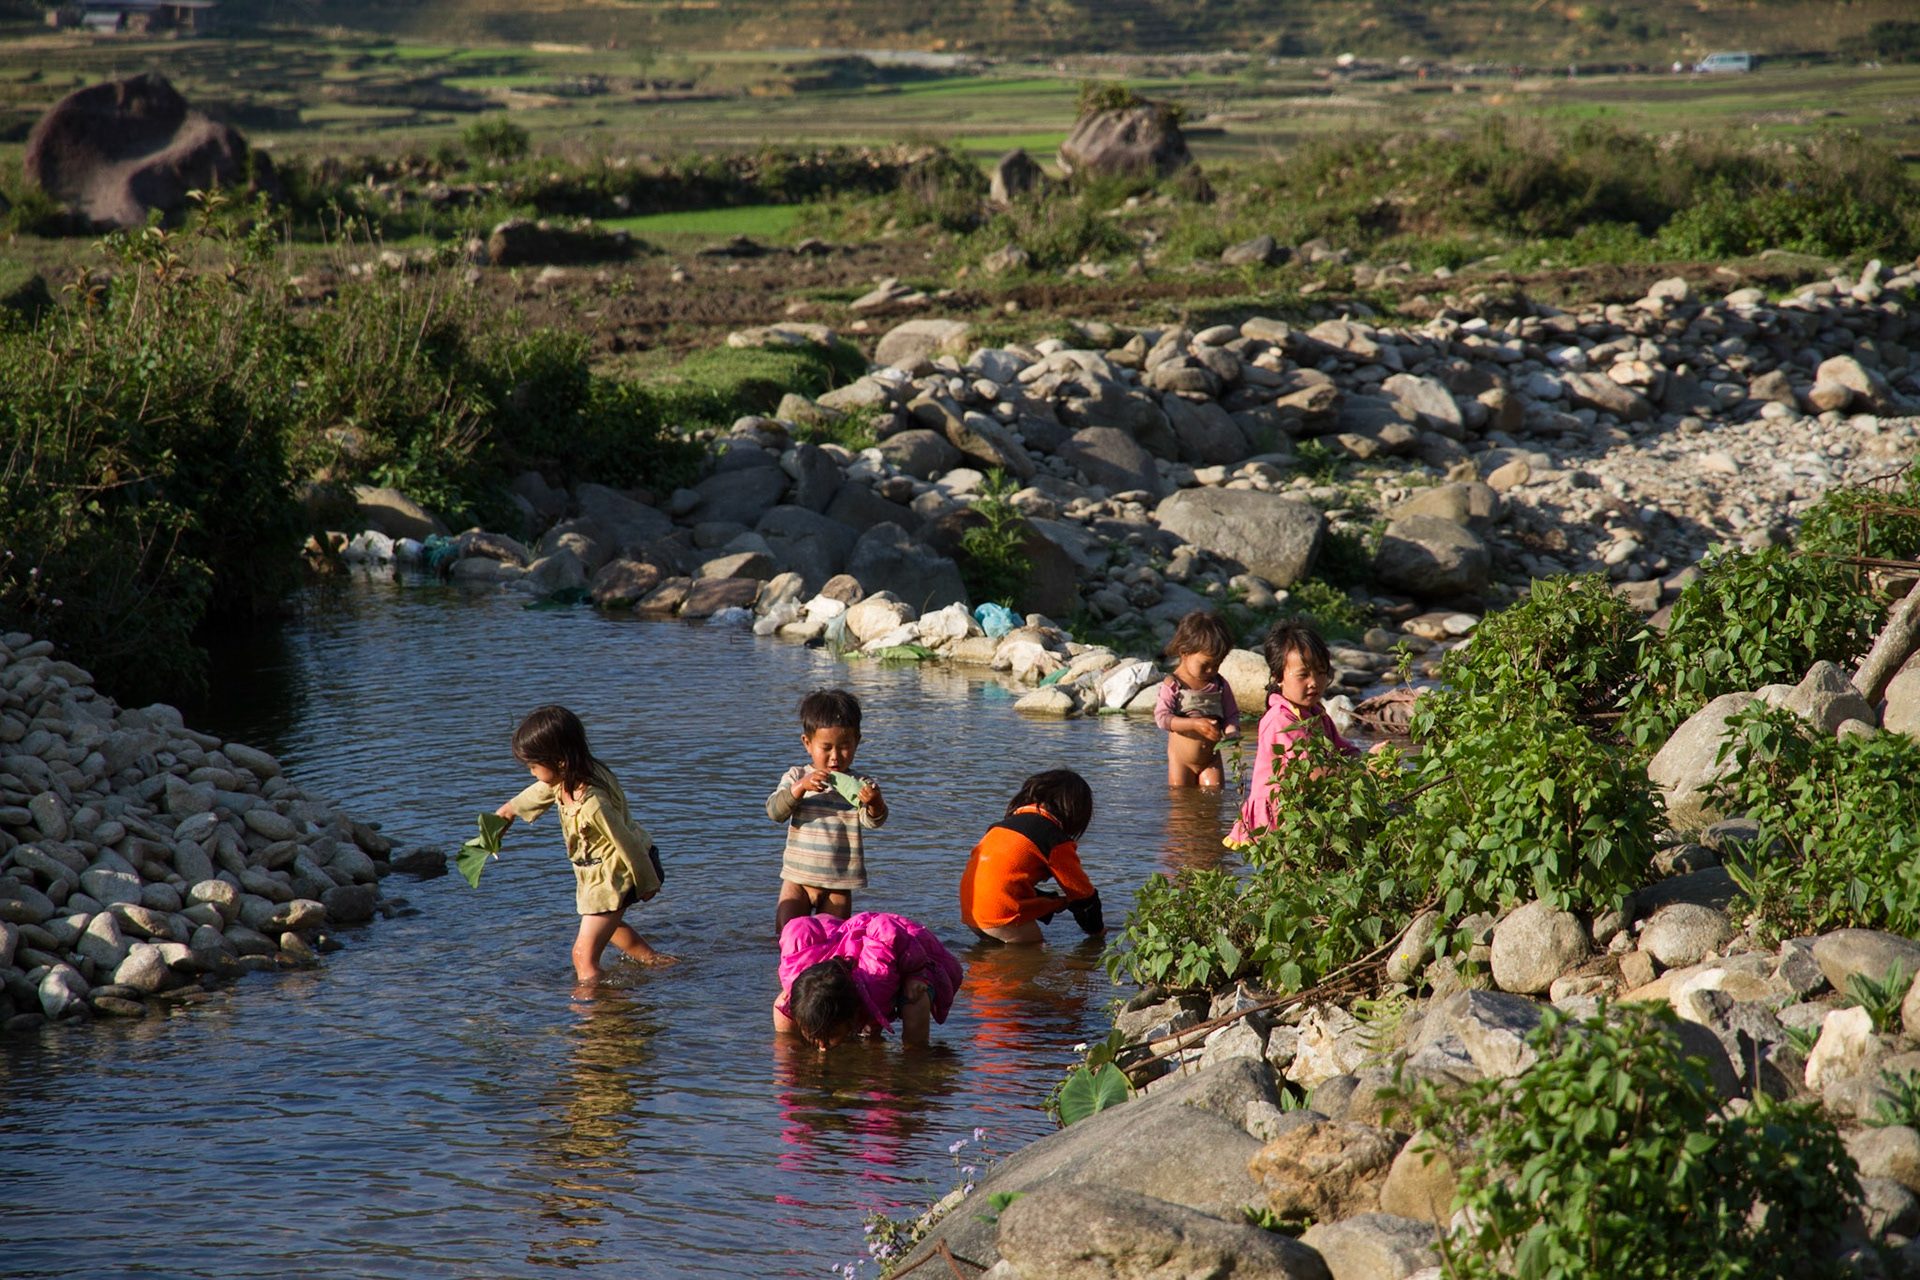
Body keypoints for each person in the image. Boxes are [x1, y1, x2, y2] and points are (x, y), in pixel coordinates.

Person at [494, 704, 674, 985]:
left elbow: (625, 843)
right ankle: (657, 962)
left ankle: (595, 1012)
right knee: (609, 928)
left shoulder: (591, 803)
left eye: (533, 766)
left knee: (582, 955)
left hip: (619, 875)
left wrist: (648, 883)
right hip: (598, 878)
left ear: (560, 761)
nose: (531, 773)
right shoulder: (565, 779)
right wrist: (506, 814)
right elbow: (537, 793)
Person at [1228, 620, 1390, 846]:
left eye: (1321, 673)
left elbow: (1343, 749)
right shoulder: (1280, 720)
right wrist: (1364, 773)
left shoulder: (1316, 714)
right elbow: (1311, 773)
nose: (1314, 683)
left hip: (1303, 808)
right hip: (1279, 816)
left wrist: (1369, 760)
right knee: (1289, 867)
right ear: (1277, 676)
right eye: (1303, 675)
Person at [768, 689, 888, 933]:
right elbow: (774, 811)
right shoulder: (796, 777)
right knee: (785, 938)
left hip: (839, 884)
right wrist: (800, 788)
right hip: (798, 879)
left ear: (857, 741)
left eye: (845, 746)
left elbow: (873, 821)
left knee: (833, 942)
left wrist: (875, 802)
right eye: (827, 748)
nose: (835, 757)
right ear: (807, 743)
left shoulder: (860, 785)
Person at [772, 912, 963, 1049]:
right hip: (842, 939)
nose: (822, 1047)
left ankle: (916, 1052)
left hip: (907, 947)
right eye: (815, 1038)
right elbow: (799, 928)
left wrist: (915, 973)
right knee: (783, 1003)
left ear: (851, 1014)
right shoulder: (796, 972)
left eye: (829, 1037)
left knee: (915, 997)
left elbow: (886, 928)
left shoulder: (878, 976)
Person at [960, 769, 1102, 945]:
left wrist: (1054, 903)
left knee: (991, 960)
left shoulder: (1000, 828)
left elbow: (1002, 879)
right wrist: (1098, 934)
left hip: (970, 910)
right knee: (1034, 958)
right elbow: (1082, 894)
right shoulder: (1053, 838)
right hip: (1001, 915)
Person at [1153, 610, 1241, 788]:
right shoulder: (1174, 684)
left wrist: (1232, 733)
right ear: (1184, 652)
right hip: (1182, 762)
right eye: (1205, 665)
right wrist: (1194, 724)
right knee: (1182, 803)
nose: (1211, 670)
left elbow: (1231, 714)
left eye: (1217, 664)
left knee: (1214, 798)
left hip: (1211, 759)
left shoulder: (1220, 685)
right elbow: (1162, 719)